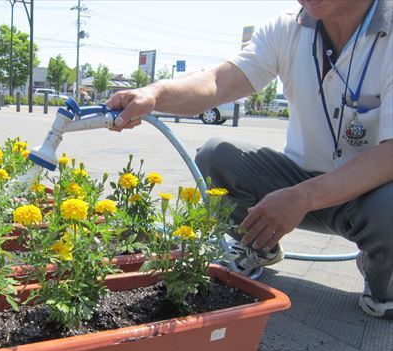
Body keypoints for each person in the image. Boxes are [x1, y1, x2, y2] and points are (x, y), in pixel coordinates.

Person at [106, 0, 392, 318]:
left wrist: (302, 197)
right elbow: (219, 82)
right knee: (218, 156)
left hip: (373, 194)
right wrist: (155, 94)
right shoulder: (289, 28)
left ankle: (380, 273)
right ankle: (257, 245)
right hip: (299, 177)